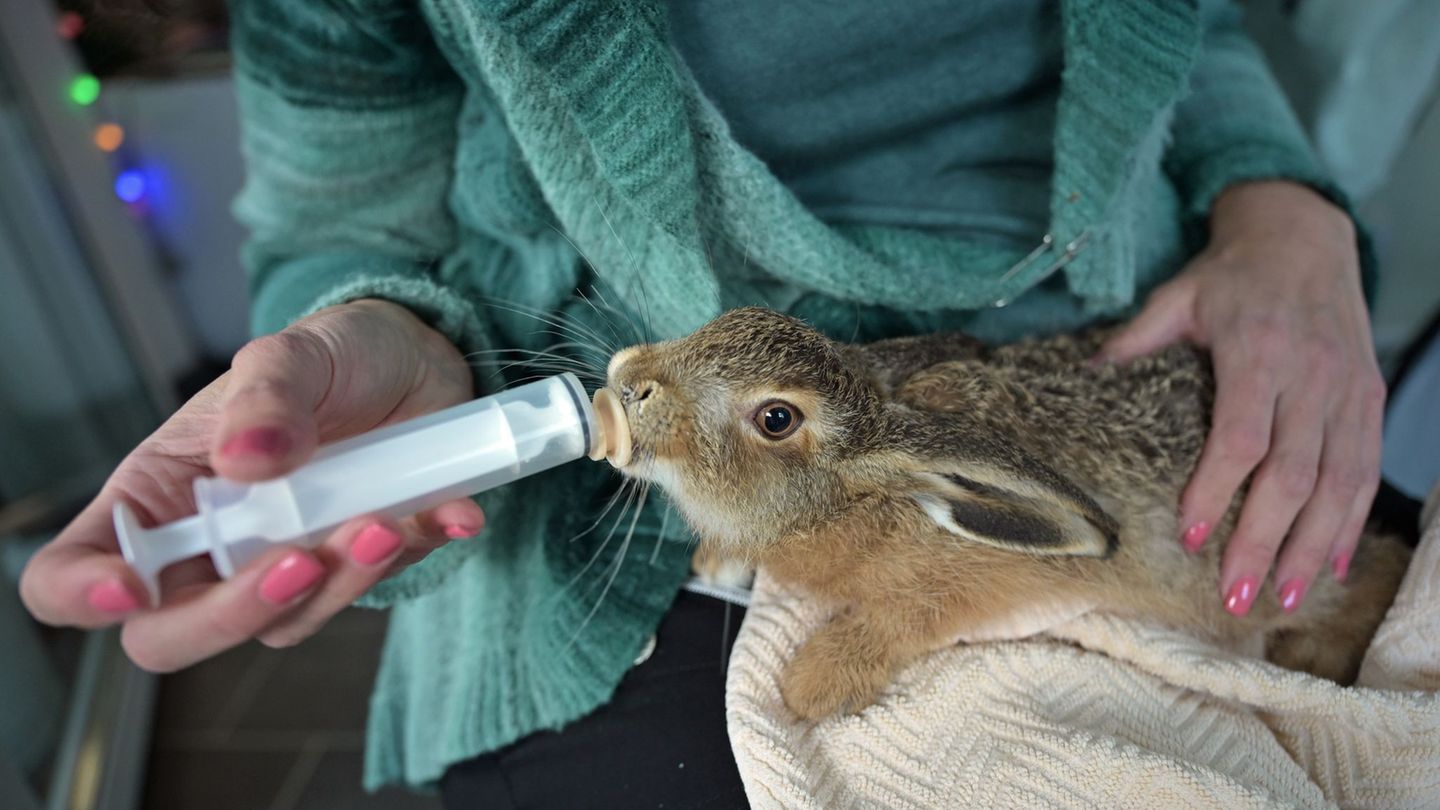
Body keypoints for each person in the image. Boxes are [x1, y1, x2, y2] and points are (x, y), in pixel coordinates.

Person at [21, 0, 1386, 806]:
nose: (635, 382)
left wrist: (1282, 207)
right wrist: (385, 331)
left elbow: (1194, 30)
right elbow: (329, 219)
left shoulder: (904, 489)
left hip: (1148, 349)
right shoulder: (636, 393)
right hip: (573, 561)